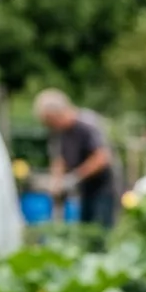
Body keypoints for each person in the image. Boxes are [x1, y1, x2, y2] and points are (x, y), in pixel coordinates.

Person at [33, 89, 121, 227]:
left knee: (101, 228)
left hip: (103, 187)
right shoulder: (60, 133)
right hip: (84, 188)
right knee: (84, 227)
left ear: (57, 115)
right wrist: (57, 182)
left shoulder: (87, 124)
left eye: (51, 122)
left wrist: (75, 177)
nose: (51, 127)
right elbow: (59, 158)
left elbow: (102, 157)